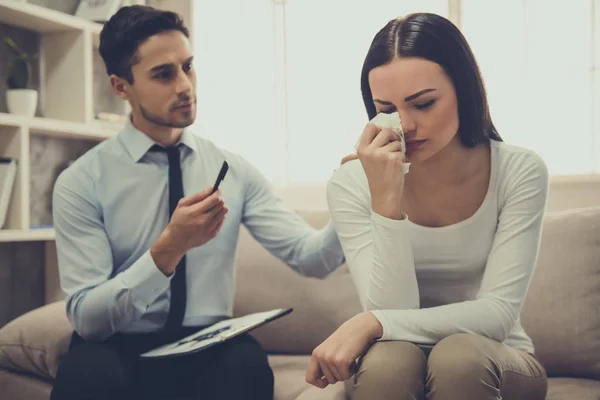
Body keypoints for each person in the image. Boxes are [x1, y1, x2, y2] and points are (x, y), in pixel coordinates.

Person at [49, 5, 346, 400]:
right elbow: (89, 320)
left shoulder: (233, 170)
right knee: (88, 376)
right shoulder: (80, 182)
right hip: (117, 344)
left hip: (208, 343)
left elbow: (314, 258)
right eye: (163, 74)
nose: (185, 85)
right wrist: (169, 248)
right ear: (121, 87)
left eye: (188, 67)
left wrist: (355, 199)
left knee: (246, 366)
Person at [305, 12, 549, 400]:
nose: (405, 125)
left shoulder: (519, 171)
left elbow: (498, 315)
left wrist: (371, 322)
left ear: (464, 90)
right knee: (389, 362)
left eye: (423, 103)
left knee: (457, 357)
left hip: (493, 358)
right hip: (394, 358)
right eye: (386, 107)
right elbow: (392, 310)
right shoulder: (351, 184)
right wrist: (387, 201)